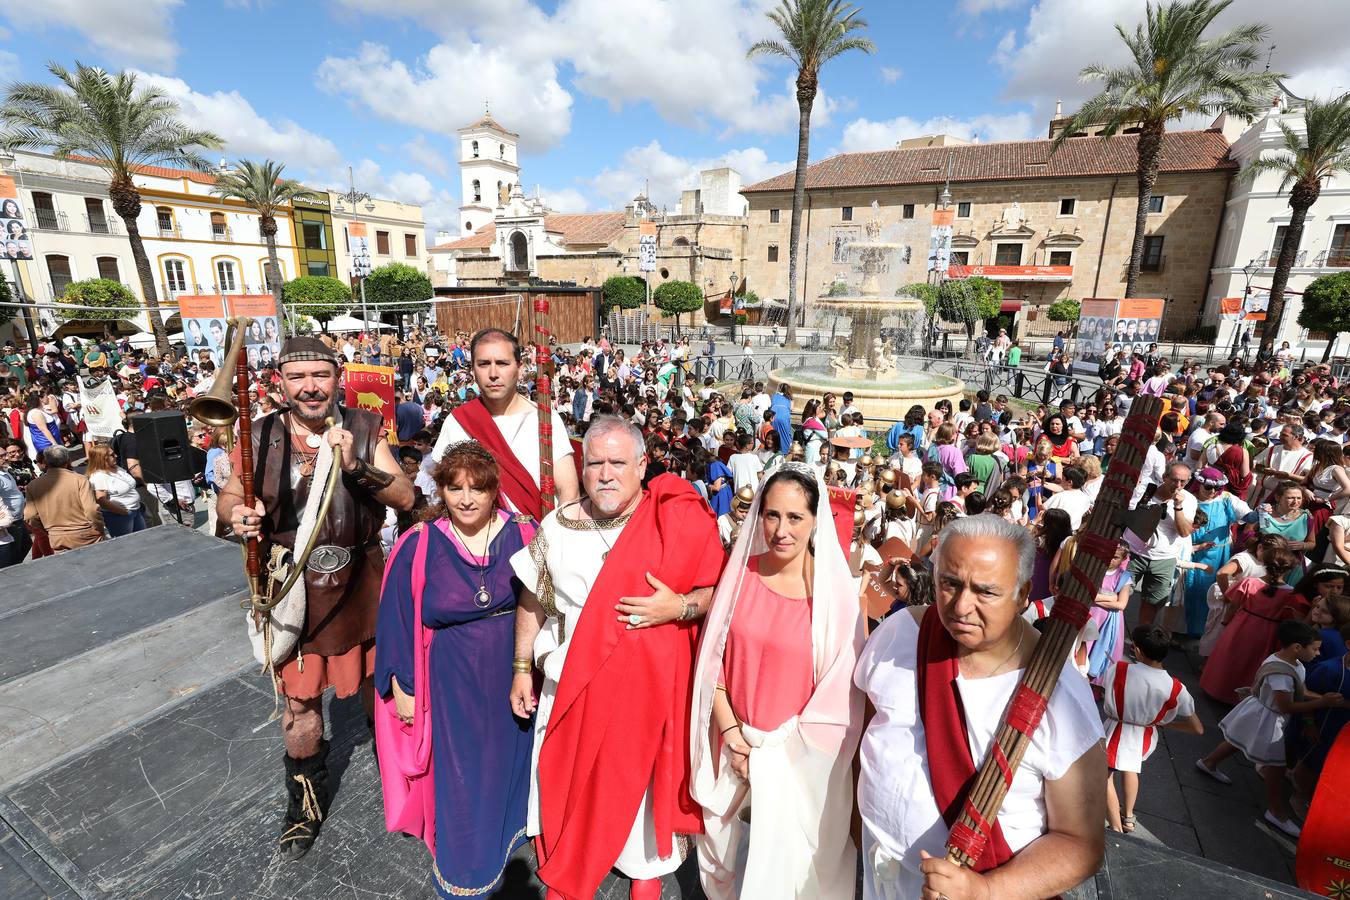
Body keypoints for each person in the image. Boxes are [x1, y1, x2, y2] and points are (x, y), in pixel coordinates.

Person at [507, 416, 723, 900]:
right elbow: (532, 601)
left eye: (618, 463)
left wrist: (680, 606)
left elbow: (721, 590)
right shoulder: (557, 527)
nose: (606, 473)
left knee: (640, 791)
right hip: (572, 684)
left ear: (642, 465)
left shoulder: (673, 518)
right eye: (595, 463)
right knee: (570, 784)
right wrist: (522, 666)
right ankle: (568, 862)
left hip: (645, 691)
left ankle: (645, 870)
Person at [223, 336, 414, 860]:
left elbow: (404, 496)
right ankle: (304, 802)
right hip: (293, 586)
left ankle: (404, 778)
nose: (310, 387)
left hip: (363, 581)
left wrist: (356, 466)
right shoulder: (257, 434)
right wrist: (234, 514)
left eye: (320, 376)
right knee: (301, 704)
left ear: (337, 379)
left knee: (387, 685)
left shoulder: (365, 428)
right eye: (298, 377)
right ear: (280, 383)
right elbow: (228, 497)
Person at [855, 515, 1105, 900]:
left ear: (1023, 594)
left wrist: (985, 889)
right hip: (877, 869)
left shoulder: (1061, 698)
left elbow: (1080, 845)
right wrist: (857, 825)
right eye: (949, 584)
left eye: (985, 591)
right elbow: (864, 729)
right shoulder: (902, 632)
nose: (961, 606)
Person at [690, 465, 863, 898]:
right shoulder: (740, 574)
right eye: (771, 515)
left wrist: (766, 760)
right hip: (730, 745)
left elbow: (836, 706)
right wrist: (732, 735)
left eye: (794, 517)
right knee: (727, 863)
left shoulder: (836, 600)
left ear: (815, 520)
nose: (781, 530)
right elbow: (714, 661)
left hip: (795, 765)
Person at [373, 441, 533, 897]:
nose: (466, 498)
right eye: (454, 487)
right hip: (452, 683)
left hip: (512, 673)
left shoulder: (523, 534)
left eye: (477, 488)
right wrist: (402, 686)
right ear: (440, 488)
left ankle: (507, 843)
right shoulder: (419, 544)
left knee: (509, 767)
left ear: (493, 490)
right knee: (462, 778)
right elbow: (396, 616)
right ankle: (465, 875)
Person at [1196, 620, 1342, 838]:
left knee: (1238, 740)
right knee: (1276, 766)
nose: (1318, 653)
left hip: (1261, 713)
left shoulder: (1291, 663)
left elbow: (1300, 690)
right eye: (1315, 648)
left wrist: (1322, 698)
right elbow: (1287, 705)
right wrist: (1322, 703)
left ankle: (1208, 763)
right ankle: (1276, 811)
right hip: (1269, 718)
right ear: (1297, 648)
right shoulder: (1281, 674)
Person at [430, 328, 579, 523]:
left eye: (502, 363)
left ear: (518, 367)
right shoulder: (458, 422)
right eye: (484, 364)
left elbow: (569, 491)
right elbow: (445, 490)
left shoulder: (544, 419)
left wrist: (554, 540)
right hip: (477, 544)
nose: (493, 373)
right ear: (473, 369)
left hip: (537, 541)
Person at [1100, 624, 1203, 834]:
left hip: (1117, 731)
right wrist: (1165, 723)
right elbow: (1197, 728)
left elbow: (1105, 690)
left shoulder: (1120, 669)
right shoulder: (1175, 686)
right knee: (1131, 768)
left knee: (1103, 776)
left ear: (1137, 650)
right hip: (1145, 734)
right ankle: (1128, 817)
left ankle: (1116, 826)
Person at [1199, 544, 1302, 704]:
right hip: (1269, 631)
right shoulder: (1291, 593)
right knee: (1253, 662)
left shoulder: (1249, 583)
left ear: (1265, 565)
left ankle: (1217, 689)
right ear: (1288, 570)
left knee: (1230, 656)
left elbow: (1233, 605)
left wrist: (1226, 621)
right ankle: (1242, 697)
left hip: (1242, 624)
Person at [1124, 462, 1196, 626]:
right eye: (1174, 480)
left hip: (1164, 560)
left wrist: (1178, 507)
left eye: (1183, 482)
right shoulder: (1146, 491)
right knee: (1118, 594)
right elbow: (1128, 515)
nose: (1178, 485)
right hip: (1133, 553)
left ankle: (1139, 643)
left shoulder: (1189, 501)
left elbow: (1184, 532)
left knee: (1151, 604)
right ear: (1164, 477)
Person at [1182, 467, 1251, 638]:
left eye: (1217, 488)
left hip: (1218, 554)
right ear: (1199, 484)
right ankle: (1183, 630)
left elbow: (1248, 517)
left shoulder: (1226, 499)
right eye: (1208, 488)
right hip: (1191, 552)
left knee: (1209, 592)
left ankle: (1204, 631)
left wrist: (1262, 512)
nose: (1213, 492)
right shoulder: (1187, 499)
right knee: (1189, 591)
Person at [22, 445, 103, 551]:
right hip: (85, 534)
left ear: (45, 462)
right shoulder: (80, 480)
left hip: (57, 537)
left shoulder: (33, 485)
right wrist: (99, 528)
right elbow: (91, 510)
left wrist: (49, 531)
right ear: (68, 460)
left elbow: (30, 516)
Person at [84, 442, 144, 536]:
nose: (116, 455)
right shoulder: (98, 477)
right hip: (120, 517)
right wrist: (123, 512)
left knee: (143, 539)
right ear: (103, 459)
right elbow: (101, 500)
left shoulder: (116, 467)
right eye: (112, 455)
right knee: (128, 544)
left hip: (135, 510)